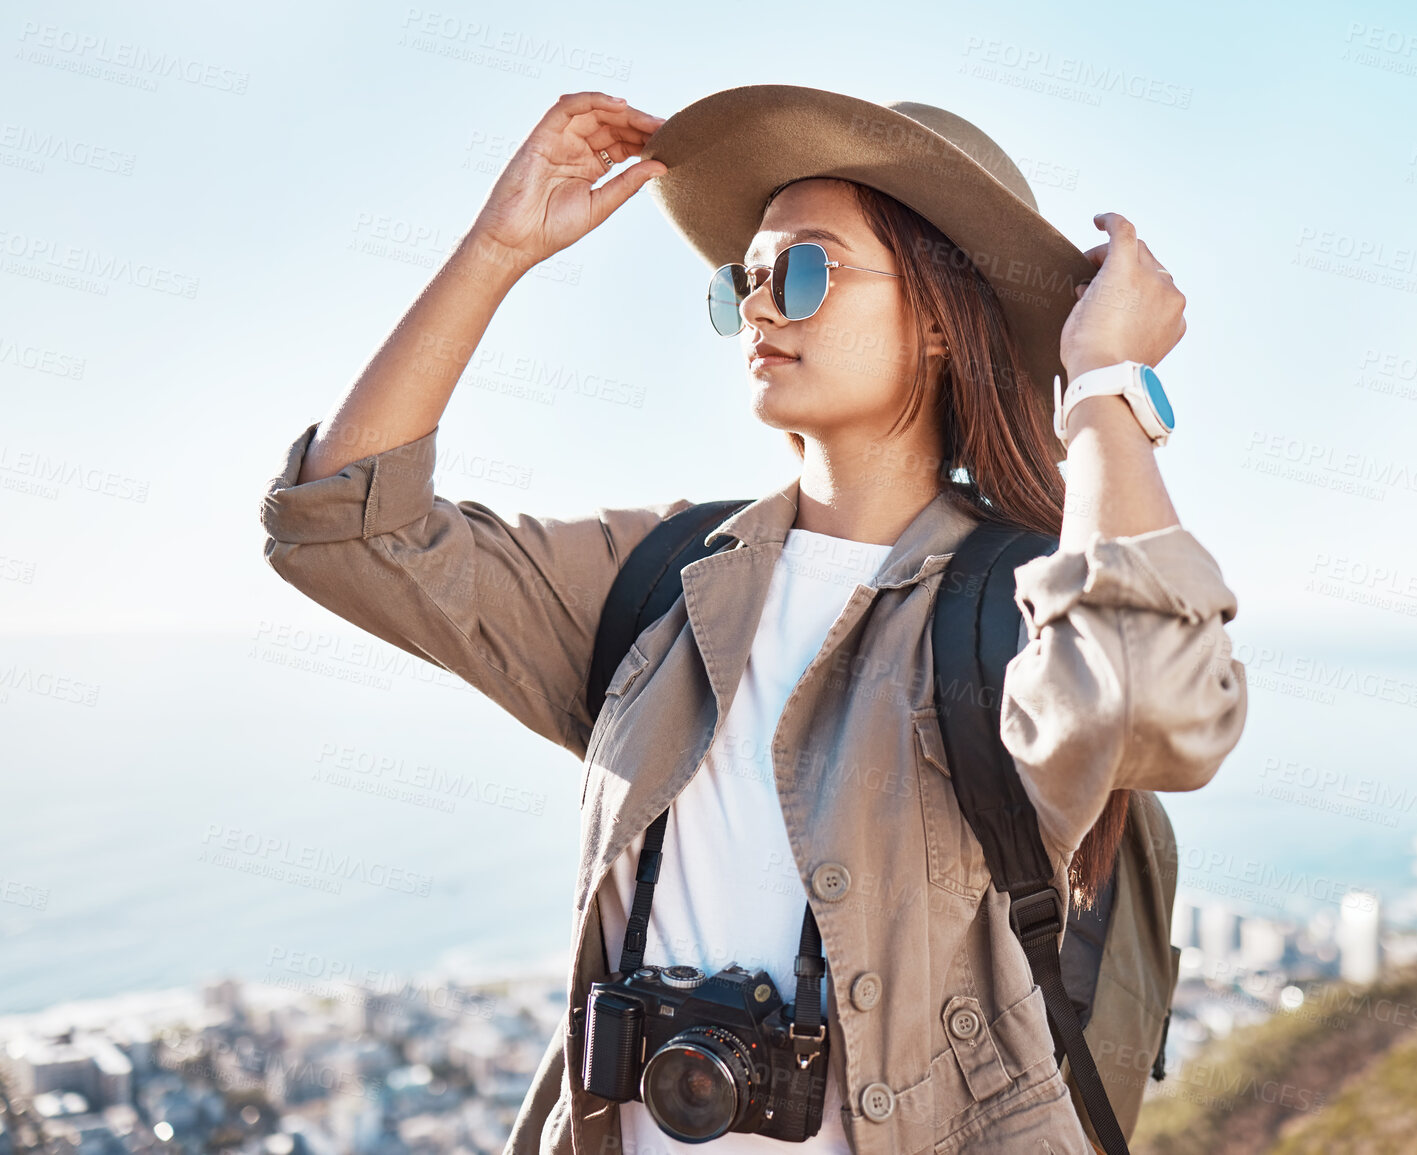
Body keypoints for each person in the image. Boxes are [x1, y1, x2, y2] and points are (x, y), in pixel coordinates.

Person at [259, 85, 1248, 1155]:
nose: (763, 307)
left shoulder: (1019, 605)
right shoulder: (662, 576)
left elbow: (1159, 708)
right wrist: (497, 250)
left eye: (808, 271)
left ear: (933, 323)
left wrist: (1105, 386)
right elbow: (343, 530)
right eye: (748, 280)